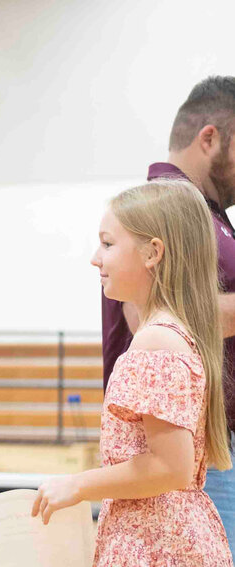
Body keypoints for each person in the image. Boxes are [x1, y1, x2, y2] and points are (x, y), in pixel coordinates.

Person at [36, 180, 233, 565]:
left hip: (155, 541)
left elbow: (169, 466)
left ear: (152, 253)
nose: (96, 258)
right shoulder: (168, 334)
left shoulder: (157, 342)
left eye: (108, 244)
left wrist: (77, 485)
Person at [102, 76, 235, 553]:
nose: (96, 259)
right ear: (210, 137)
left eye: (105, 245)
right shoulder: (173, 209)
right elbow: (151, 317)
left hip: (190, 467)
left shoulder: (206, 216)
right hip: (184, 467)